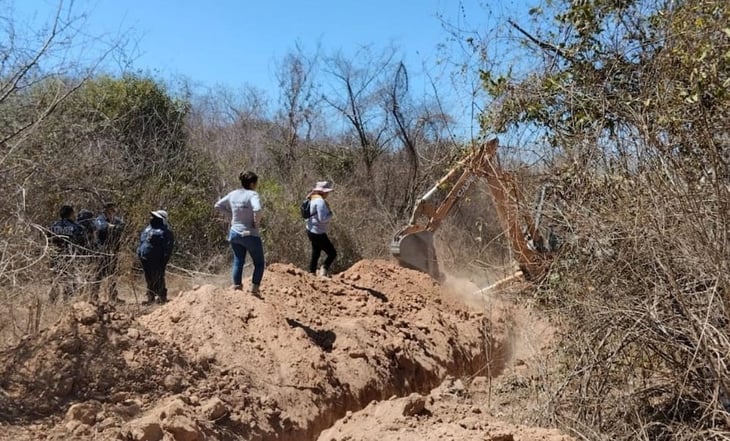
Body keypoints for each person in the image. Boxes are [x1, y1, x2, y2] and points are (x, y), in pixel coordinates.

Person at [214, 171, 265, 295]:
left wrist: (231, 215)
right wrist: (256, 223)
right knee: (259, 263)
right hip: (250, 233)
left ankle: (237, 287)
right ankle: (255, 289)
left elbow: (218, 205)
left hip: (235, 233)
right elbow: (257, 209)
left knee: (238, 260)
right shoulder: (253, 195)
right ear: (252, 183)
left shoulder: (233, 194)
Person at [48, 205, 86, 301]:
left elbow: (49, 240)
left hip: (55, 256)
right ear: (71, 214)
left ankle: (52, 301)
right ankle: (67, 302)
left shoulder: (53, 226)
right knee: (70, 280)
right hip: (70, 257)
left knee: (55, 279)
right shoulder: (77, 227)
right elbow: (82, 242)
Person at [136, 210, 175, 304]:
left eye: (155, 217)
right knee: (149, 278)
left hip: (157, 259)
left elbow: (168, 248)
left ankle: (162, 297)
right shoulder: (148, 229)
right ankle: (151, 297)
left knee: (158, 277)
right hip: (144, 258)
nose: (152, 218)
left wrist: (164, 260)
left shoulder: (165, 231)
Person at [92, 202, 124, 302]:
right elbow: (101, 227)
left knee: (112, 275)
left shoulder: (116, 220)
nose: (113, 210)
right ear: (106, 209)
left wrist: (113, 227)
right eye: (111, 209)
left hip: (113, 251)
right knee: (98, 275)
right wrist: (111, 227)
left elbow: (122, 226)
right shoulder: (99, 219)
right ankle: (94, 296)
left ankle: (113, 296)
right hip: (101, 252)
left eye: (114, 208)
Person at [305, 180, 337, 276]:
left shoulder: (312, 198)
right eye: (327, 192)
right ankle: (324, 269)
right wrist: (330, 214)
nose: (328, 194)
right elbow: (323, 219)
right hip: (318, 232)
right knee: (332, 253)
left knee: (316, 252)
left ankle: (312, 271)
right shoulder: (320, 202)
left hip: (310, 230)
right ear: (323, 192)